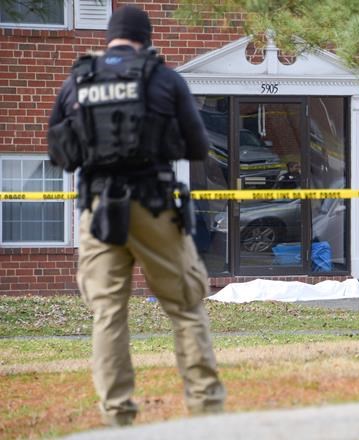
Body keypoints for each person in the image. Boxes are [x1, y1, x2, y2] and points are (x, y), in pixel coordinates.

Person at [47, 5, 225, 426]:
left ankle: (118, 417)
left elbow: (58, 152)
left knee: (108, 313)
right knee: (185, 307)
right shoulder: (163, 78)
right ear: (145, 39)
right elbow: (199, 147)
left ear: (109, 37)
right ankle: (207, 413)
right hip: (153, 204)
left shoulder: (78, 80)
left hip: (98, 210)